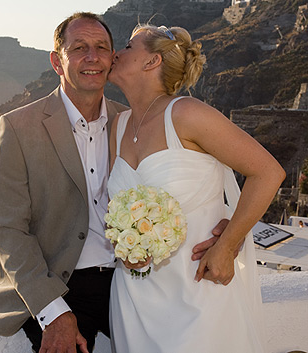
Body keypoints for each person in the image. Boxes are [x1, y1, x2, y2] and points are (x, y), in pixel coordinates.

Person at [0, 12, 232, 353]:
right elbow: (8, 228)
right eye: (79, 48)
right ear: (57, 61)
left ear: (112, 59)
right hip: (58, 285)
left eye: (101, 47)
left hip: (128, 282)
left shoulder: (129, 122)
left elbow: (186, 180)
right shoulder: (20, 127)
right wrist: (52, 312)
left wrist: (224, 227)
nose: (92, 57)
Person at [107, 24, 286, 352]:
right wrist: (124, 245)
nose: (116, 52)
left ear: (152, 62)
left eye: (129, 47)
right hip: (134, 299)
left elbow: (268, 172)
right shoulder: (117, 127)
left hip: (197, 291)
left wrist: (228, 245)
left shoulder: (187, 114)